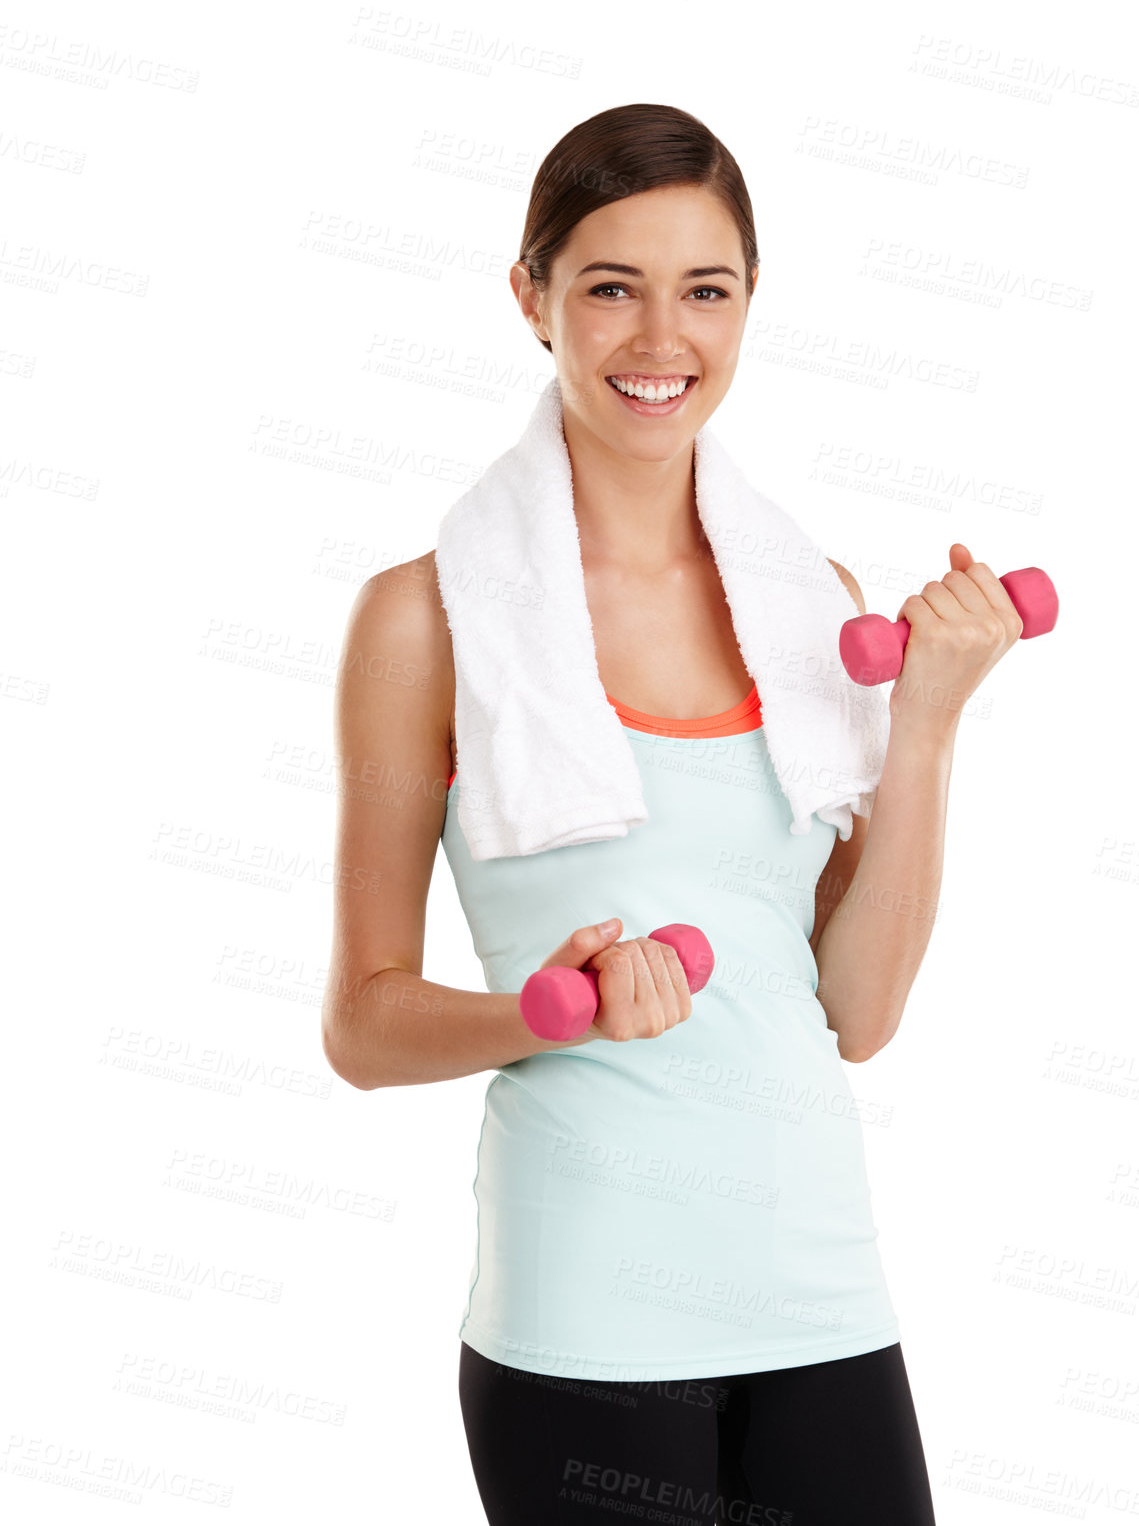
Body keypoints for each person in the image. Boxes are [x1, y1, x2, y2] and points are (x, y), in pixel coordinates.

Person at [322, 104, 1024, 1525]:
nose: (661, 341)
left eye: (703, 290)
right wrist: (544, 1010)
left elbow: (857, 1011)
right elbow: (363, 1025)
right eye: (608, 288)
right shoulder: (422, 620)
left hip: (818, 1288)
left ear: (748, 304)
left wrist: (931, 719)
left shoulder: (805, 601)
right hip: (587, 1319)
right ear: (530, 299)